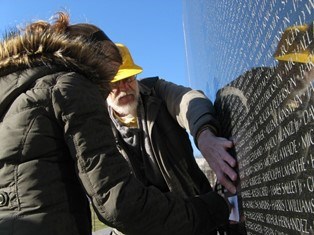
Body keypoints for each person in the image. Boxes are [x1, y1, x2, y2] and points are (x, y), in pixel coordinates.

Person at [0, 12, 229, 235]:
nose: (123, 88)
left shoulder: (156, 92)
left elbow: (187, 101)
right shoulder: (86, 109)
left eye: (128, 79)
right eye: (114, 82)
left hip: (191, 214)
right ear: (100, 82)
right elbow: (118, 202)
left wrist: (204, 134)